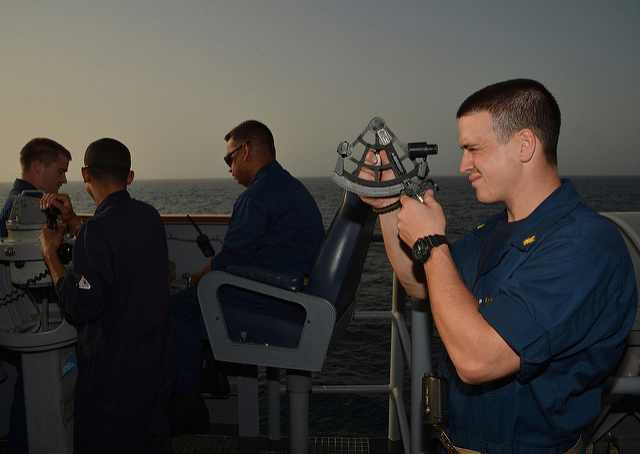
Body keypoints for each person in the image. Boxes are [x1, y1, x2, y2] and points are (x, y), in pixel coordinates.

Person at [360, 79, 637, 453]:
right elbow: (421, 283)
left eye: (474, 148)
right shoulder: (494, 230)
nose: (462, 165)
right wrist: (388, 204)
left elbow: (477, 360)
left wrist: (432, 243)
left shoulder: (587, 245)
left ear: (524, 145)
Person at [169, 120, 325, 434]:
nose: (228, 168)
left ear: (245, 151)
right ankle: (212, 374)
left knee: (178, 308)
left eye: (229, 159)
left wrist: (197, 279)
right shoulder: (291, 187)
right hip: (293, 292)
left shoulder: (257, 196)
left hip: (271, 296)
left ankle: (187, 403)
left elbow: (229, 262)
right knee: (206, 295)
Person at [39, 138, 177, 453]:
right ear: (129, 176)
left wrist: (51, 256)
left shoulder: (97, 232)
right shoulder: (150, 217)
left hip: (115, 375)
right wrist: (75, 223)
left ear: (85, 174)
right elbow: (118, 255)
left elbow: (80, 306)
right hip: (157, 361)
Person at [0, 137, 71, 454]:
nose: (64, 179)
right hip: (28, 313)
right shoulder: (23, 210)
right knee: (32, 392)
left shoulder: (31, 205)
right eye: (60, 170)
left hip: (35, 308)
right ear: (37, 166)